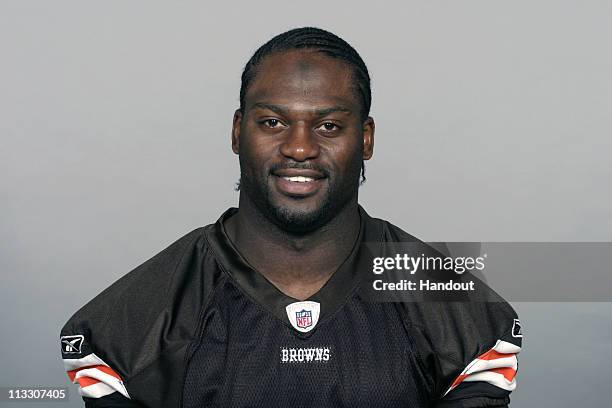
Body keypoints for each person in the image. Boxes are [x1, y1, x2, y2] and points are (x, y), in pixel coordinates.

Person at [60, 27, 522, 408]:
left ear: (365, 139)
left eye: (328, 126)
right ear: (238, 132)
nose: (299, 148)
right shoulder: (135, 323)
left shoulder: (457, 314)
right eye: (273, 123)